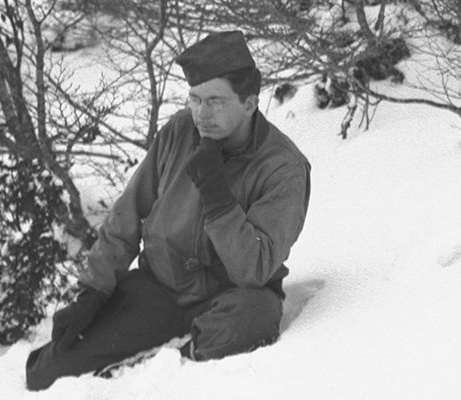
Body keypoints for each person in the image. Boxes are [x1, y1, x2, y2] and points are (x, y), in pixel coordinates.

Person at [25, 30, 311, 391]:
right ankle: (150, 353)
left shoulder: (283, 167)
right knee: (47, 372)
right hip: (160, 288)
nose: (201, 114)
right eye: (195, 99)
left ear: (250, 103)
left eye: (216, 102)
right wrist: (93, 290)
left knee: (250, 319)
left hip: (231, 296)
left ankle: (169, 369)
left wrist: (218, 199)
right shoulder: (179, 131)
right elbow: (126, 215)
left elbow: (253, 269)